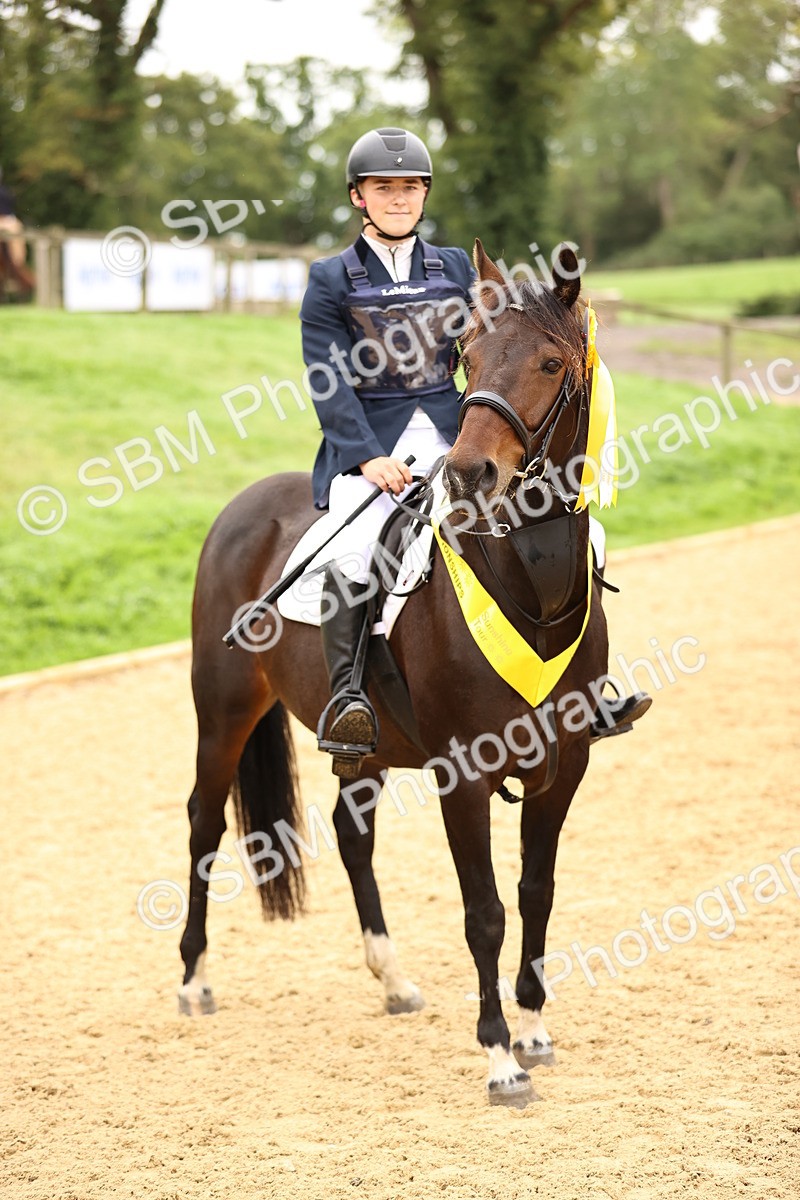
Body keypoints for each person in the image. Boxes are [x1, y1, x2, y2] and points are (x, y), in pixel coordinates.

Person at [300, 127, 649, 776]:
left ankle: (586, 691)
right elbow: (327, 381)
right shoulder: (330, 279)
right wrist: (365, 457)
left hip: (458, 436)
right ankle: (349, 701)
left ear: (423, 195)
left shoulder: (458, 268)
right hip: (372, 448)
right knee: (351, 549)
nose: (398, 199)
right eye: (384, 188)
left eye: (409, 188)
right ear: (359, 197)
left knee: (577, 531)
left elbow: (512, 338)